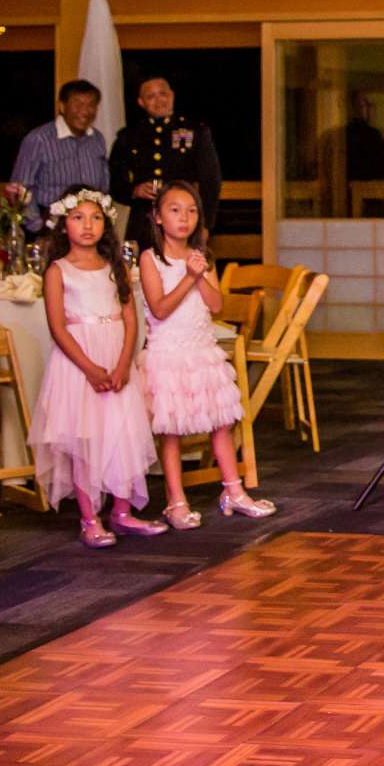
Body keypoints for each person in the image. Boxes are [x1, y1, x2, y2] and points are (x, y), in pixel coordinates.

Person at [137, 182, 275, 529]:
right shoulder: (150, 258)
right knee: (172, 431)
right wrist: (189, 277)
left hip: (202, 351)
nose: (184, 218)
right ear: (157, 216)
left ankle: (234, 490)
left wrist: (200, 274)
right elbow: (160, 308)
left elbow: (216, 306)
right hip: (169, 354)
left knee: (221, 422)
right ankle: (175, 500)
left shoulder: (203, 256)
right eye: (174, 210)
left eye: (191, 211)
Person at [32, 189, 160, 549]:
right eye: (78, 218)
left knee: (123, 433)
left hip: (116, 355)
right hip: (79, 363)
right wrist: (90, 368)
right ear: (63, 226)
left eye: (95, 218)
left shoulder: (116, 267)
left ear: (106, 224)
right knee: (85, 438)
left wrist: (122, 364)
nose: (87, 226)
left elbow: (131, 320)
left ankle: (122, 510)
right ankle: (90, 518)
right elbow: (57, 327)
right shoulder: (58, 272)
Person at [110, 76, 223, 254]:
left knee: (184, 271)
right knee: (131, 270)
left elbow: (211, 181)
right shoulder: (128, 136)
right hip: (139, 224)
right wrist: (134, 190)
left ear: (172, 96)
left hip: (183, 221)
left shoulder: (196, 131)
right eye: (151, 96)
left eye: (163, 93)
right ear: (141, 102)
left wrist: (206, 224)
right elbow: (114, 183)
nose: (159, 100)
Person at [10, 81, 111, 234]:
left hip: (89, 229)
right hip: (51, 228)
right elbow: (22, 189)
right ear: (62, 106)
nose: (85, 111)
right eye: (78, 104)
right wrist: (39, 228)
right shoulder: (39, 139)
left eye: (91, 105)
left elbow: (104, 186)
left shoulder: (97, 139)